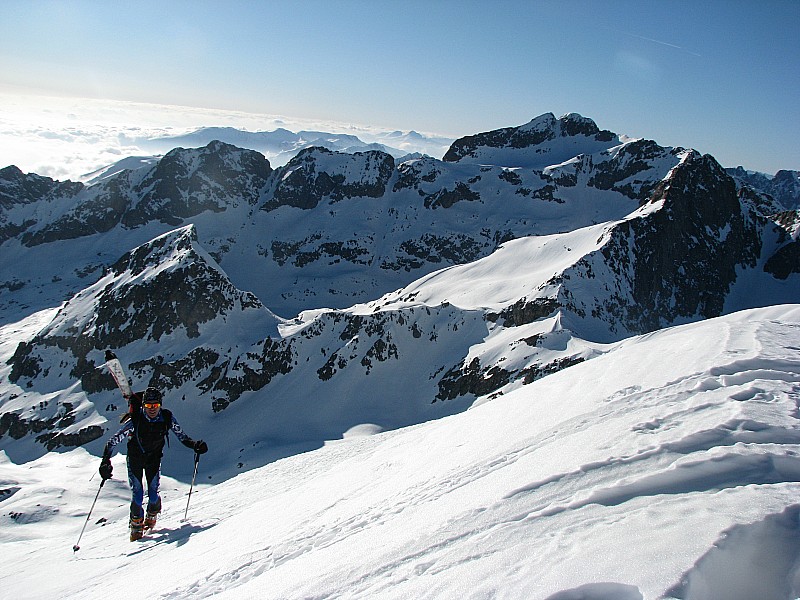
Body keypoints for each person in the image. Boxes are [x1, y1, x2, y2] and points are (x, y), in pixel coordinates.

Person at [99, 387, 208, 541]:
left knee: (152, 493)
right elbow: (113, 441)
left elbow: (182, 436)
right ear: (143, 406)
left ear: (160, 405)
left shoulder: (166, 418)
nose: (152, 409)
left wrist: (195, 445)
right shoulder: (135, 420)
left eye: (155, 406)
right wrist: (105, 461)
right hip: (135, 459)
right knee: (137, 495)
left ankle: (152, 512)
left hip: (153, 460)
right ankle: (136, 526)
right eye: (148, 406)